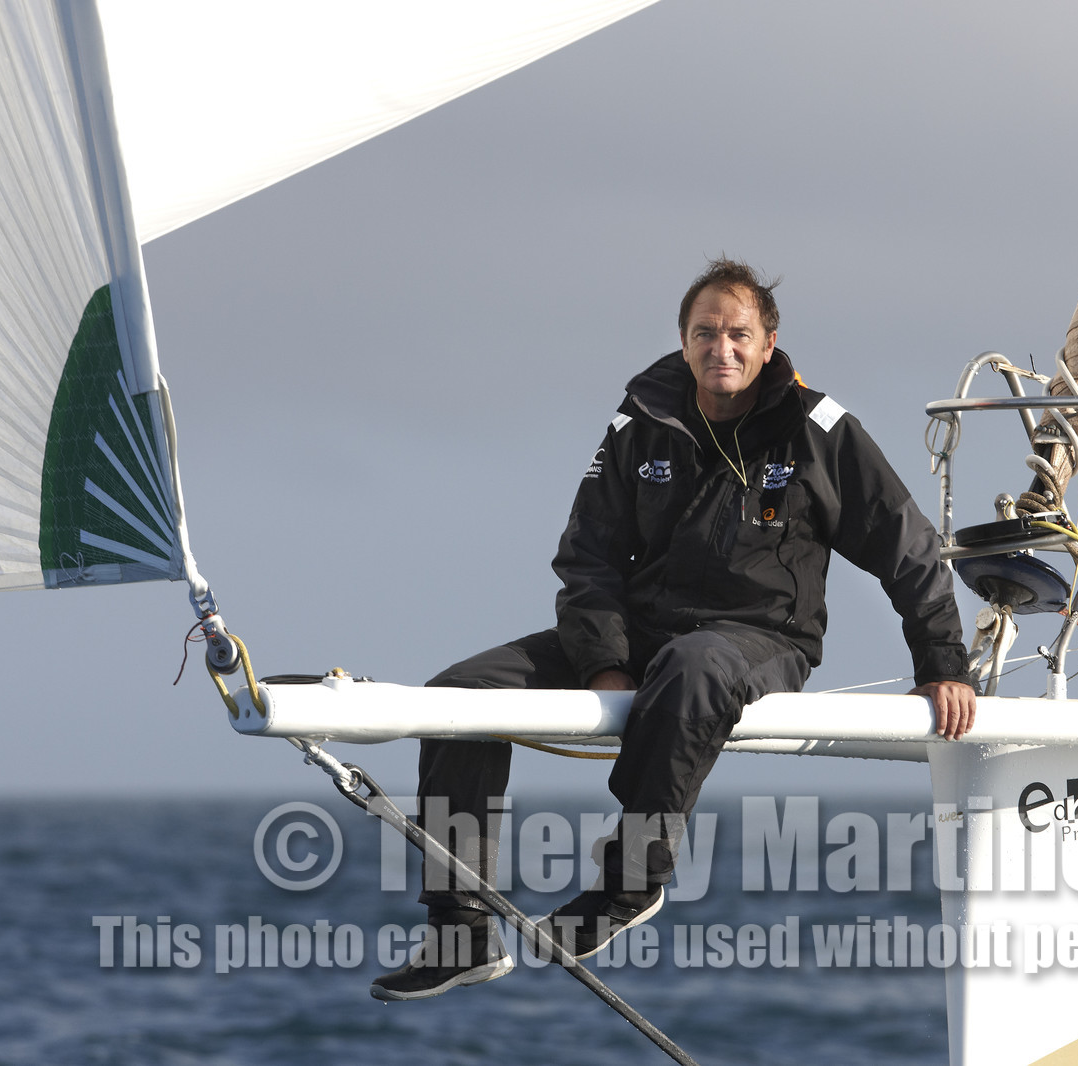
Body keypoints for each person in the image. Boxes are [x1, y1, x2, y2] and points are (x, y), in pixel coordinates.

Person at [370, 258, 976, 1001]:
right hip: (638, 632)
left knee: (694, 665)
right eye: (705, 333)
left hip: (759, 638)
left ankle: (631, 881)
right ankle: (459, 930)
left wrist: (942, 664)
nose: (723, 348)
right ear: (684, 342)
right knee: (457, 697)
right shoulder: (642, 421)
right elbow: (588, 555)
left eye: (739, 334)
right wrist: (605, 663)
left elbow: (908, 549)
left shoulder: (819, 431)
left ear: (768, 344)